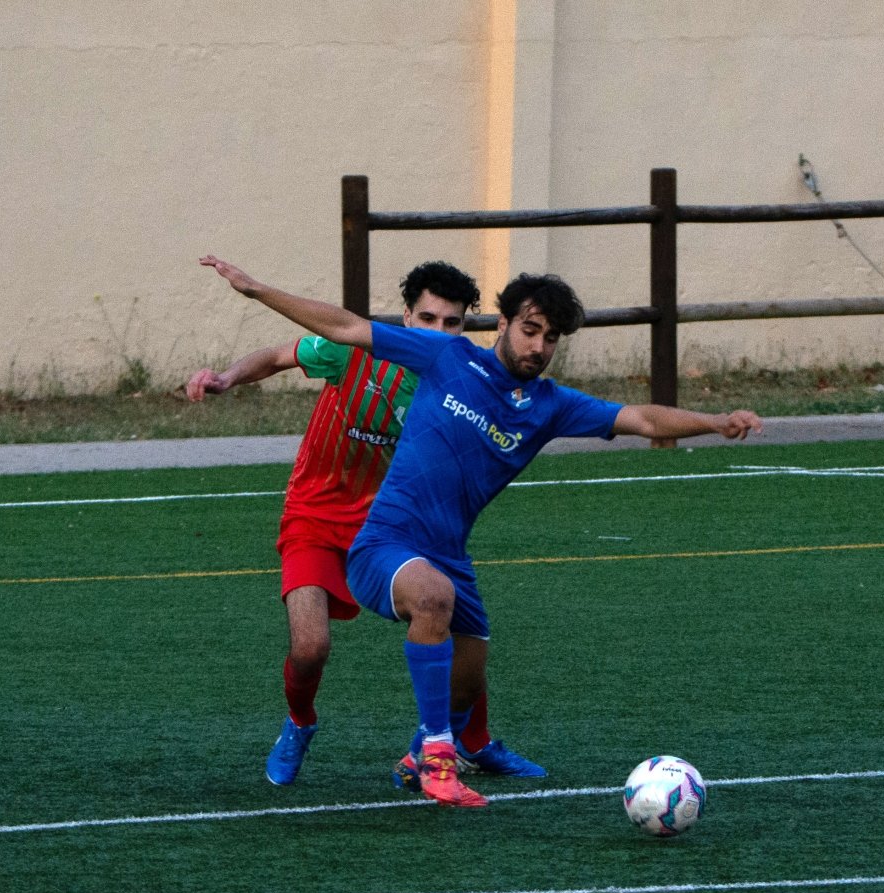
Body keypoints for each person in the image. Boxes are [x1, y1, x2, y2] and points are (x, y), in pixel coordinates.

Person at [200, 251, 764, 806]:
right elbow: (345, 327)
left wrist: (715, 421)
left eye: (550, 338)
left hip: (447, 553)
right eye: (530, 330)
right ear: (503, 324)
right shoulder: (445, 356)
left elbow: (640, 417)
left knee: (468, 682)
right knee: (415, 605)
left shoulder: (550, 405)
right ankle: (432, 759)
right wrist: (255, 288)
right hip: (384, 540)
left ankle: (426, 753)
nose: (538, 347)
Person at [187, 261, 545, 787]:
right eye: (428, 319)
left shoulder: (463, 383)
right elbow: (277, 356)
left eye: (452, 323)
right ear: (406, 317)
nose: (439, 332)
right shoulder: (355, 351)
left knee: (457, 620)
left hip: (391, 526)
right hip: (315, 515)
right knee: (310, 647)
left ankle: (471, 742)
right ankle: (300, 722)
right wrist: (226, 378)